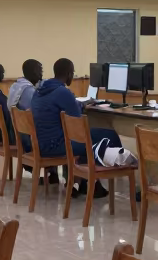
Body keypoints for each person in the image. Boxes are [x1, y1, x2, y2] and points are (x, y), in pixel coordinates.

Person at [31, 58, 123, 197]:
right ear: (68, 73)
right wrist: (77, 106)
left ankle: (85, 183)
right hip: (55, 145)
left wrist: (78, 104)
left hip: (40, 143)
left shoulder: (39, 91)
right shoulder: (62, 92)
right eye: (72, 73)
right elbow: (77, 126)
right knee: (107, 136)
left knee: (93, 138)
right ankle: (99, 178)